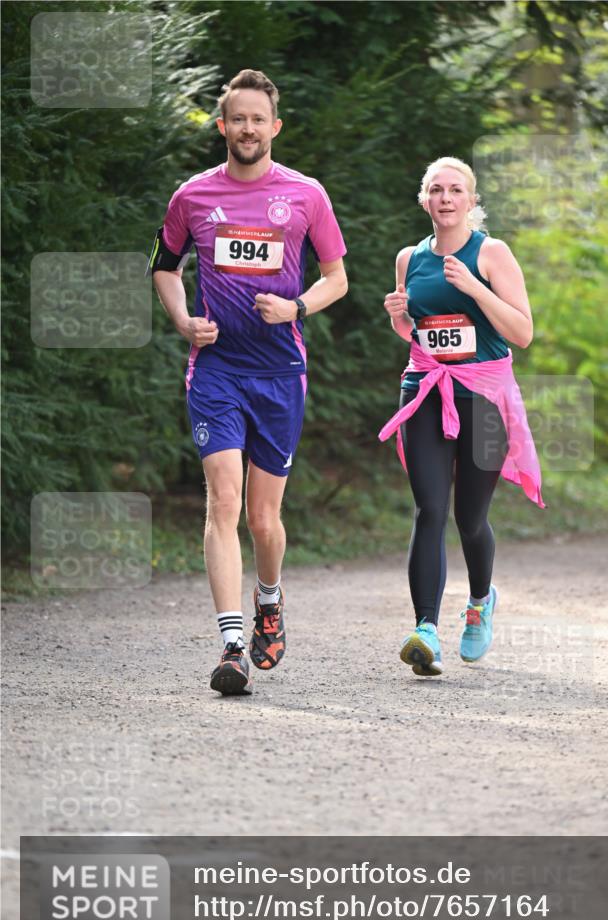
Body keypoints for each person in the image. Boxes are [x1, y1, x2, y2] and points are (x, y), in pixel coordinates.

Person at [149, 69, 347, 696]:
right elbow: (164, 266)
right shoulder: (193, 196)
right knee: (223, 502)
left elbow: (337, 277)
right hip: (217, 369)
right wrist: (183, 319)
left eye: (258, 119)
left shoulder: (306, 194)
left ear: (275, 127)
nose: (248, 128)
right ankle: (233, 646)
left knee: (263, 520)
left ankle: (269, 597)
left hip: (281, 372)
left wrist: (297, 307)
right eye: (238, 118)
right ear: (222, 126)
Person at [380, 156, 543, 675]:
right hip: (424, 390)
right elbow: (416, 334)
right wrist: (400, 318)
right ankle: (425, 628)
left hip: (484, 396)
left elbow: (522, 333)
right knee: (429, 508)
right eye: (436, 189)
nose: (445, 198)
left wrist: (474, 287)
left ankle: (479, 602)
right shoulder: (409, 258)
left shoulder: (491, 253)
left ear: (471, 201)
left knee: (470, 518)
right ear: (424, 199)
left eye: (455, 190)